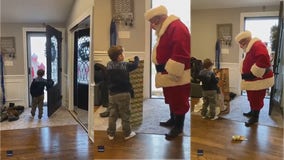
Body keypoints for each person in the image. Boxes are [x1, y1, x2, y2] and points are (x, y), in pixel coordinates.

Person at [144, 5, 190, 140]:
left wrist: (172, 71)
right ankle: (173, 119)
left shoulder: (177, 27)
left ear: (161, 18)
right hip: (167, 73)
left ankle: (178, 127)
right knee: (171, 98)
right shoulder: (167, 28)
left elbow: (181, 52)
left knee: (179, 100)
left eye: (153, 22)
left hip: (175, 74)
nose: (152, 26)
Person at [235, 30, 274, 127]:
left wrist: (253, 73)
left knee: (256, 99)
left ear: (246, 40)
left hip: (258, 80)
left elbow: (264, 59)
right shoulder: (251, 47)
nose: (240, 46)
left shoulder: (257, 45)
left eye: (241, 43)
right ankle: (252, 112)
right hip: (252, 81)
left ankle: (255, 117)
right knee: (251, 98)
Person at [106, 45, 139, 140]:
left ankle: (111, 134)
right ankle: (127, 133)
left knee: (113, 114)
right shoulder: (125, 65)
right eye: (122, 54)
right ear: (119, 56)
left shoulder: (108, 65)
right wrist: (136, 58)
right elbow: (135, 65)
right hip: (124, 94)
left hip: (112, 94)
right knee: (125, 114)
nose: (123, 55)